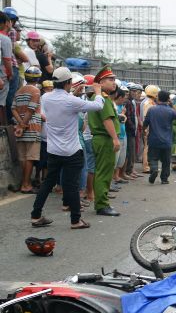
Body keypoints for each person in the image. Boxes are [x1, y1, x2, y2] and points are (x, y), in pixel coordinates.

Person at [30, 67, 104, 229]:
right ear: (68, 83)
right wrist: (98, 92)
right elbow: (98, 106)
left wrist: (73, 94)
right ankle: (75, 220)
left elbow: (62, 103)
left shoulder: (46, 97)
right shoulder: (71, 101)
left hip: (53, 150)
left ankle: (35, 215)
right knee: (72, 185)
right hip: (71, 151)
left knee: (48, 183)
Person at [87, 65, 121, 216]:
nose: (113, 82)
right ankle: (102, 205)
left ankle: (101, 202)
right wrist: (115, 138)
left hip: (101, 138)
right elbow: (107, 120)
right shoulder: (103, 99)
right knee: (104, 173)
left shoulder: (99, 98)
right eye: (110, 79)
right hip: (105, 138)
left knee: (102, 171)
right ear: (101, 83)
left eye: (113, 79)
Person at [12, 66, 43, 194]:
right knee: (30, 157)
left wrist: (20, 124)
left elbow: (13, 109)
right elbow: (31, 109)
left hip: (20, 128)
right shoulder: (35, 91)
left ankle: (24, 183)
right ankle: (26, 185)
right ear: (38, 78)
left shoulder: (19, 91)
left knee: (23, 157)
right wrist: (23, 124)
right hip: (32, 127)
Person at [143, 90, 176, 184]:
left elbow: (145, 123)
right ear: (168, 99)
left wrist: (144, 131)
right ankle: (164, 179)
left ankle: (154, 169)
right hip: (166, 141)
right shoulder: (170, 111)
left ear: (158, 98)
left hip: (154, 139)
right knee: (166, 161)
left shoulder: (152, 109)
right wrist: (171, 105)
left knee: (153, 158)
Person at [141, 85, 159, 173]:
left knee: (148, 147)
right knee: (147, 148)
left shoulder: (148, 101)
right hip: (148, 129)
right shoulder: (148, 103)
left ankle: (149, 166)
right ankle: (146, 167)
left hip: (149, 128)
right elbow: (147, 117)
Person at [0, 11, 13, 126]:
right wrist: (10, 73)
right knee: (1, 103)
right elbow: (7, 60)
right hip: (2, 76)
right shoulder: (5, 39)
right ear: (6, 23)